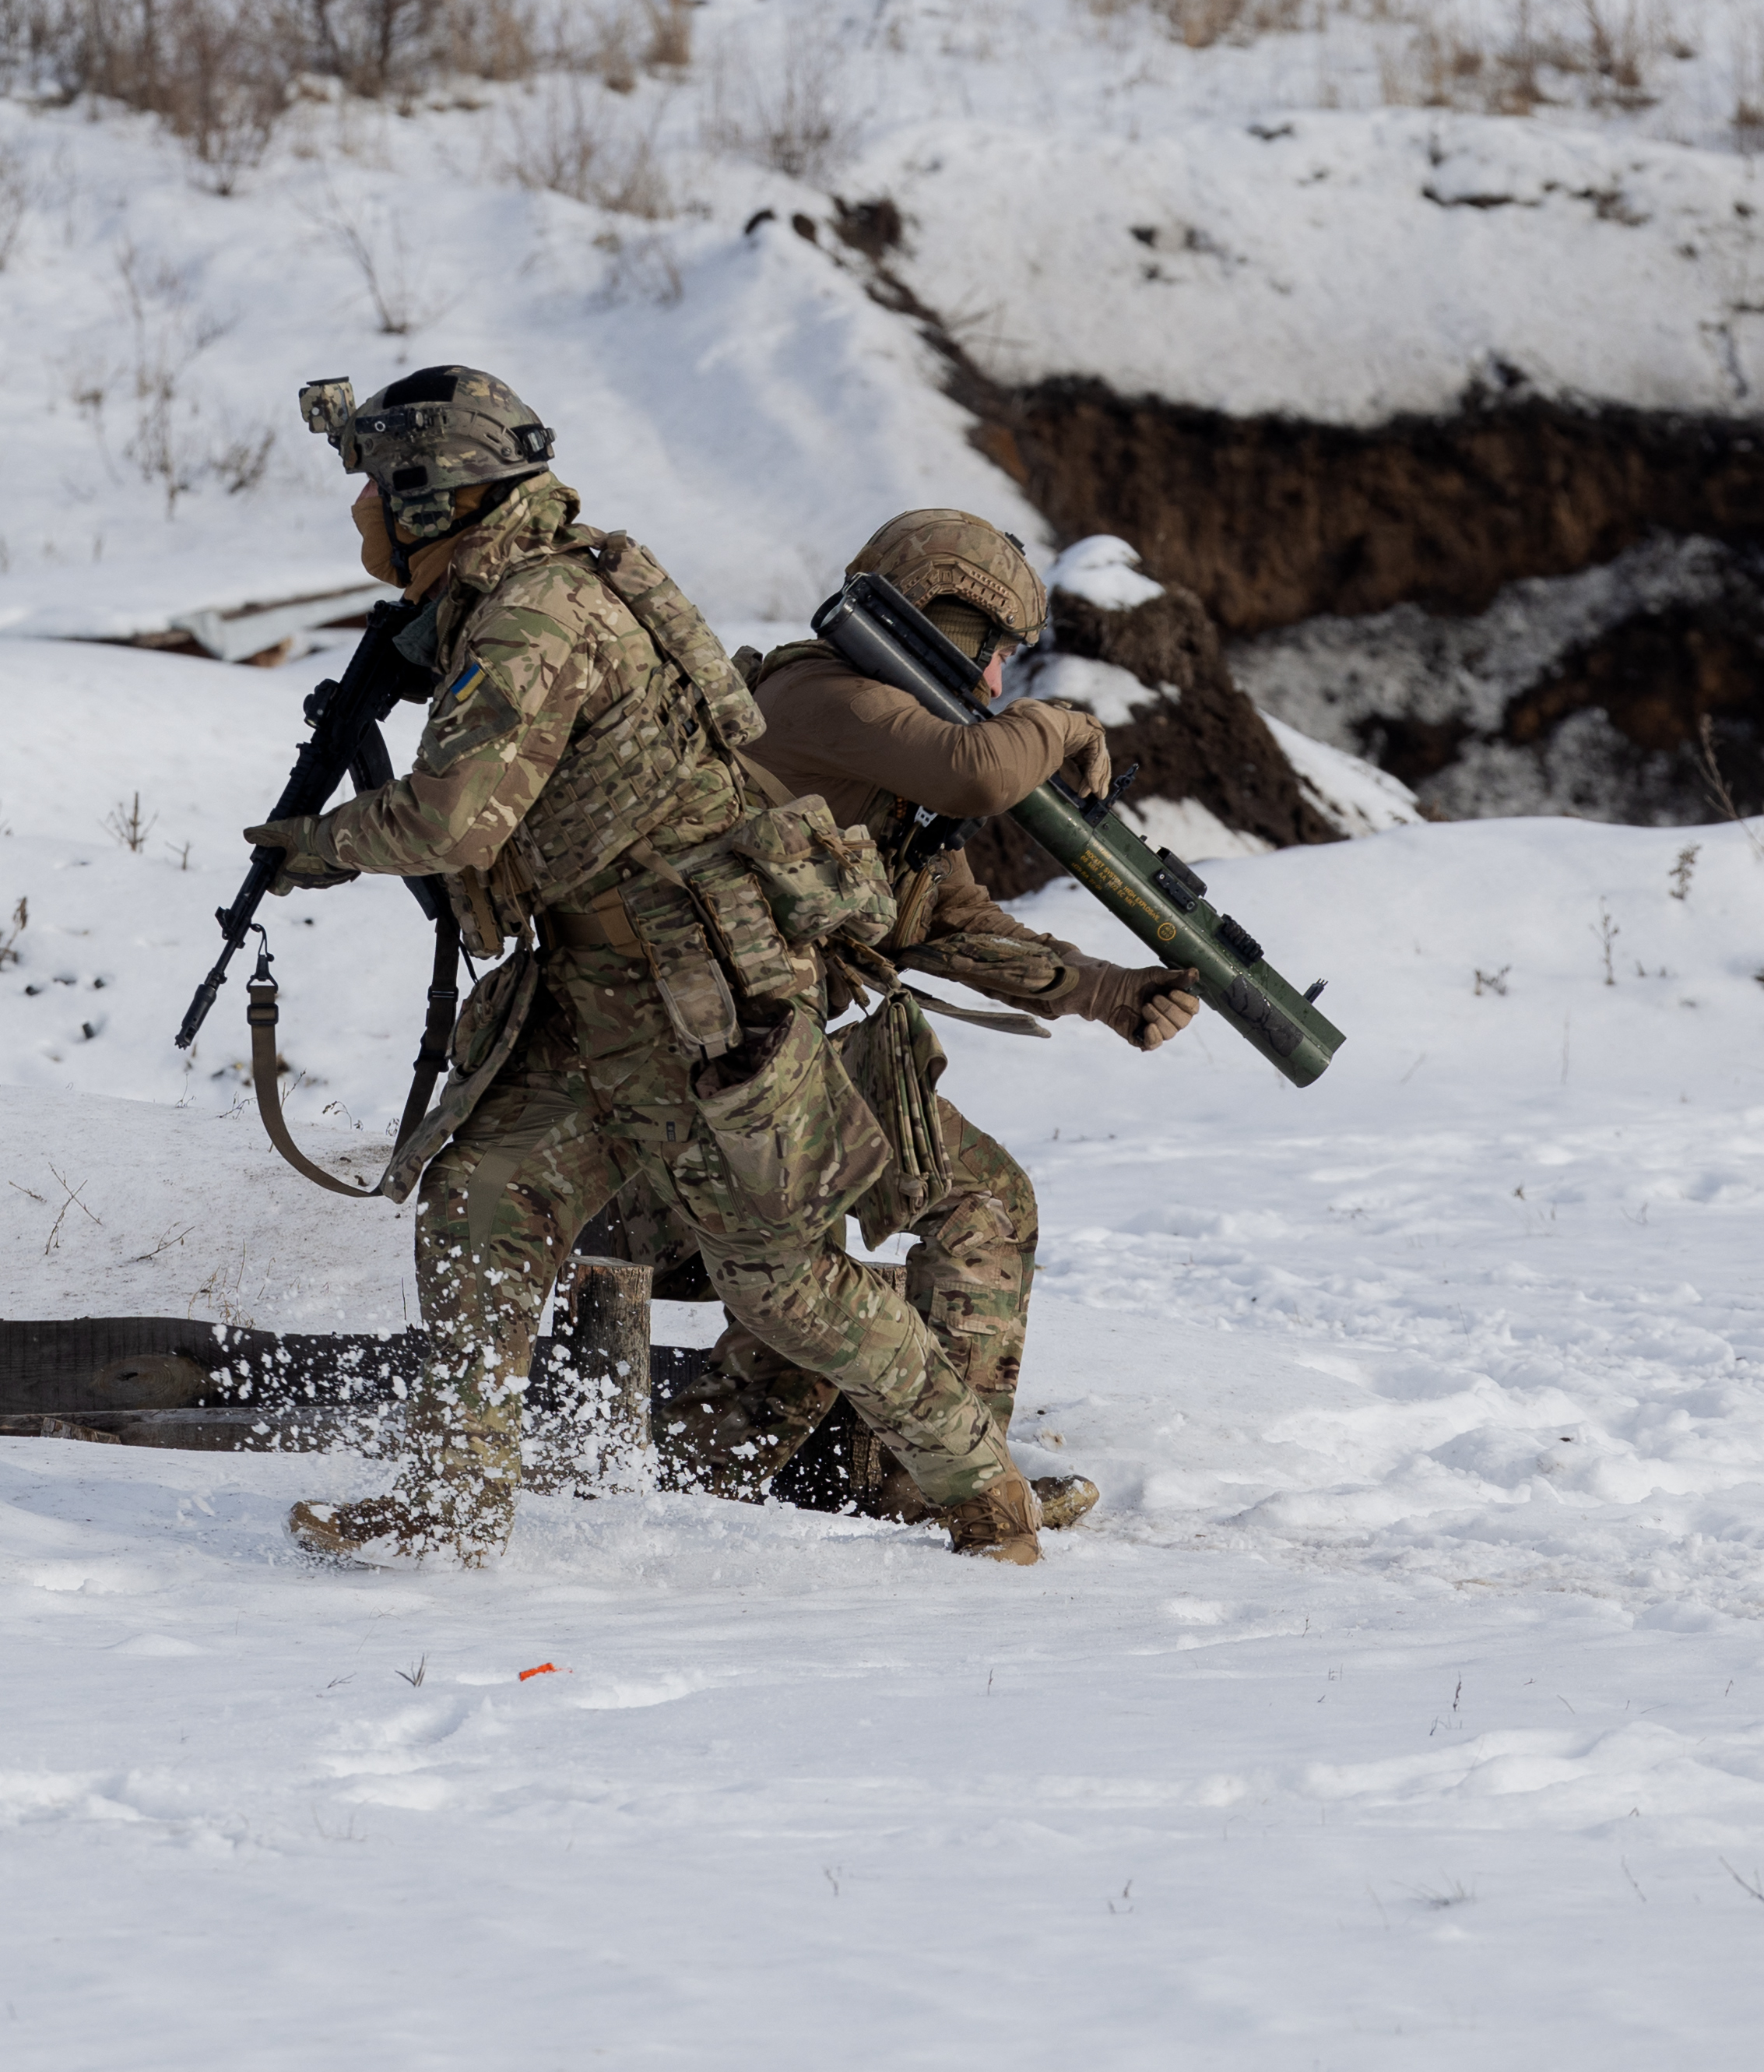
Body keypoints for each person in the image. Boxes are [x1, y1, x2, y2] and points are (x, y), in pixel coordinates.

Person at [246, 369, 1047, 1567]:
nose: (361, 508)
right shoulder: (516, 587)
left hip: (706, 1000)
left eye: (375, 483)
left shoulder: (537, 612)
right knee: (477, 1208)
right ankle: (456, 1498)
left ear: (431, 495)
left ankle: (986, 1499)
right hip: (593, 992)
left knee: (788, 1288)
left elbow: (456, 821)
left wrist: (313, 845)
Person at [635, 508, 1200, 1526]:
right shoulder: (816, 697)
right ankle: (942, 1485)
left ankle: (698, 1474)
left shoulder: (885, 756)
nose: (995, 686)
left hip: (757, 1083)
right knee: (979, 1208)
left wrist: (1114, 993)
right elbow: (982, 769)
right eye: (993, 656)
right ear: (943, 618)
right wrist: (1065, 723)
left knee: (827, 1287)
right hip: (692, 1093)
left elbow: (956, 923)